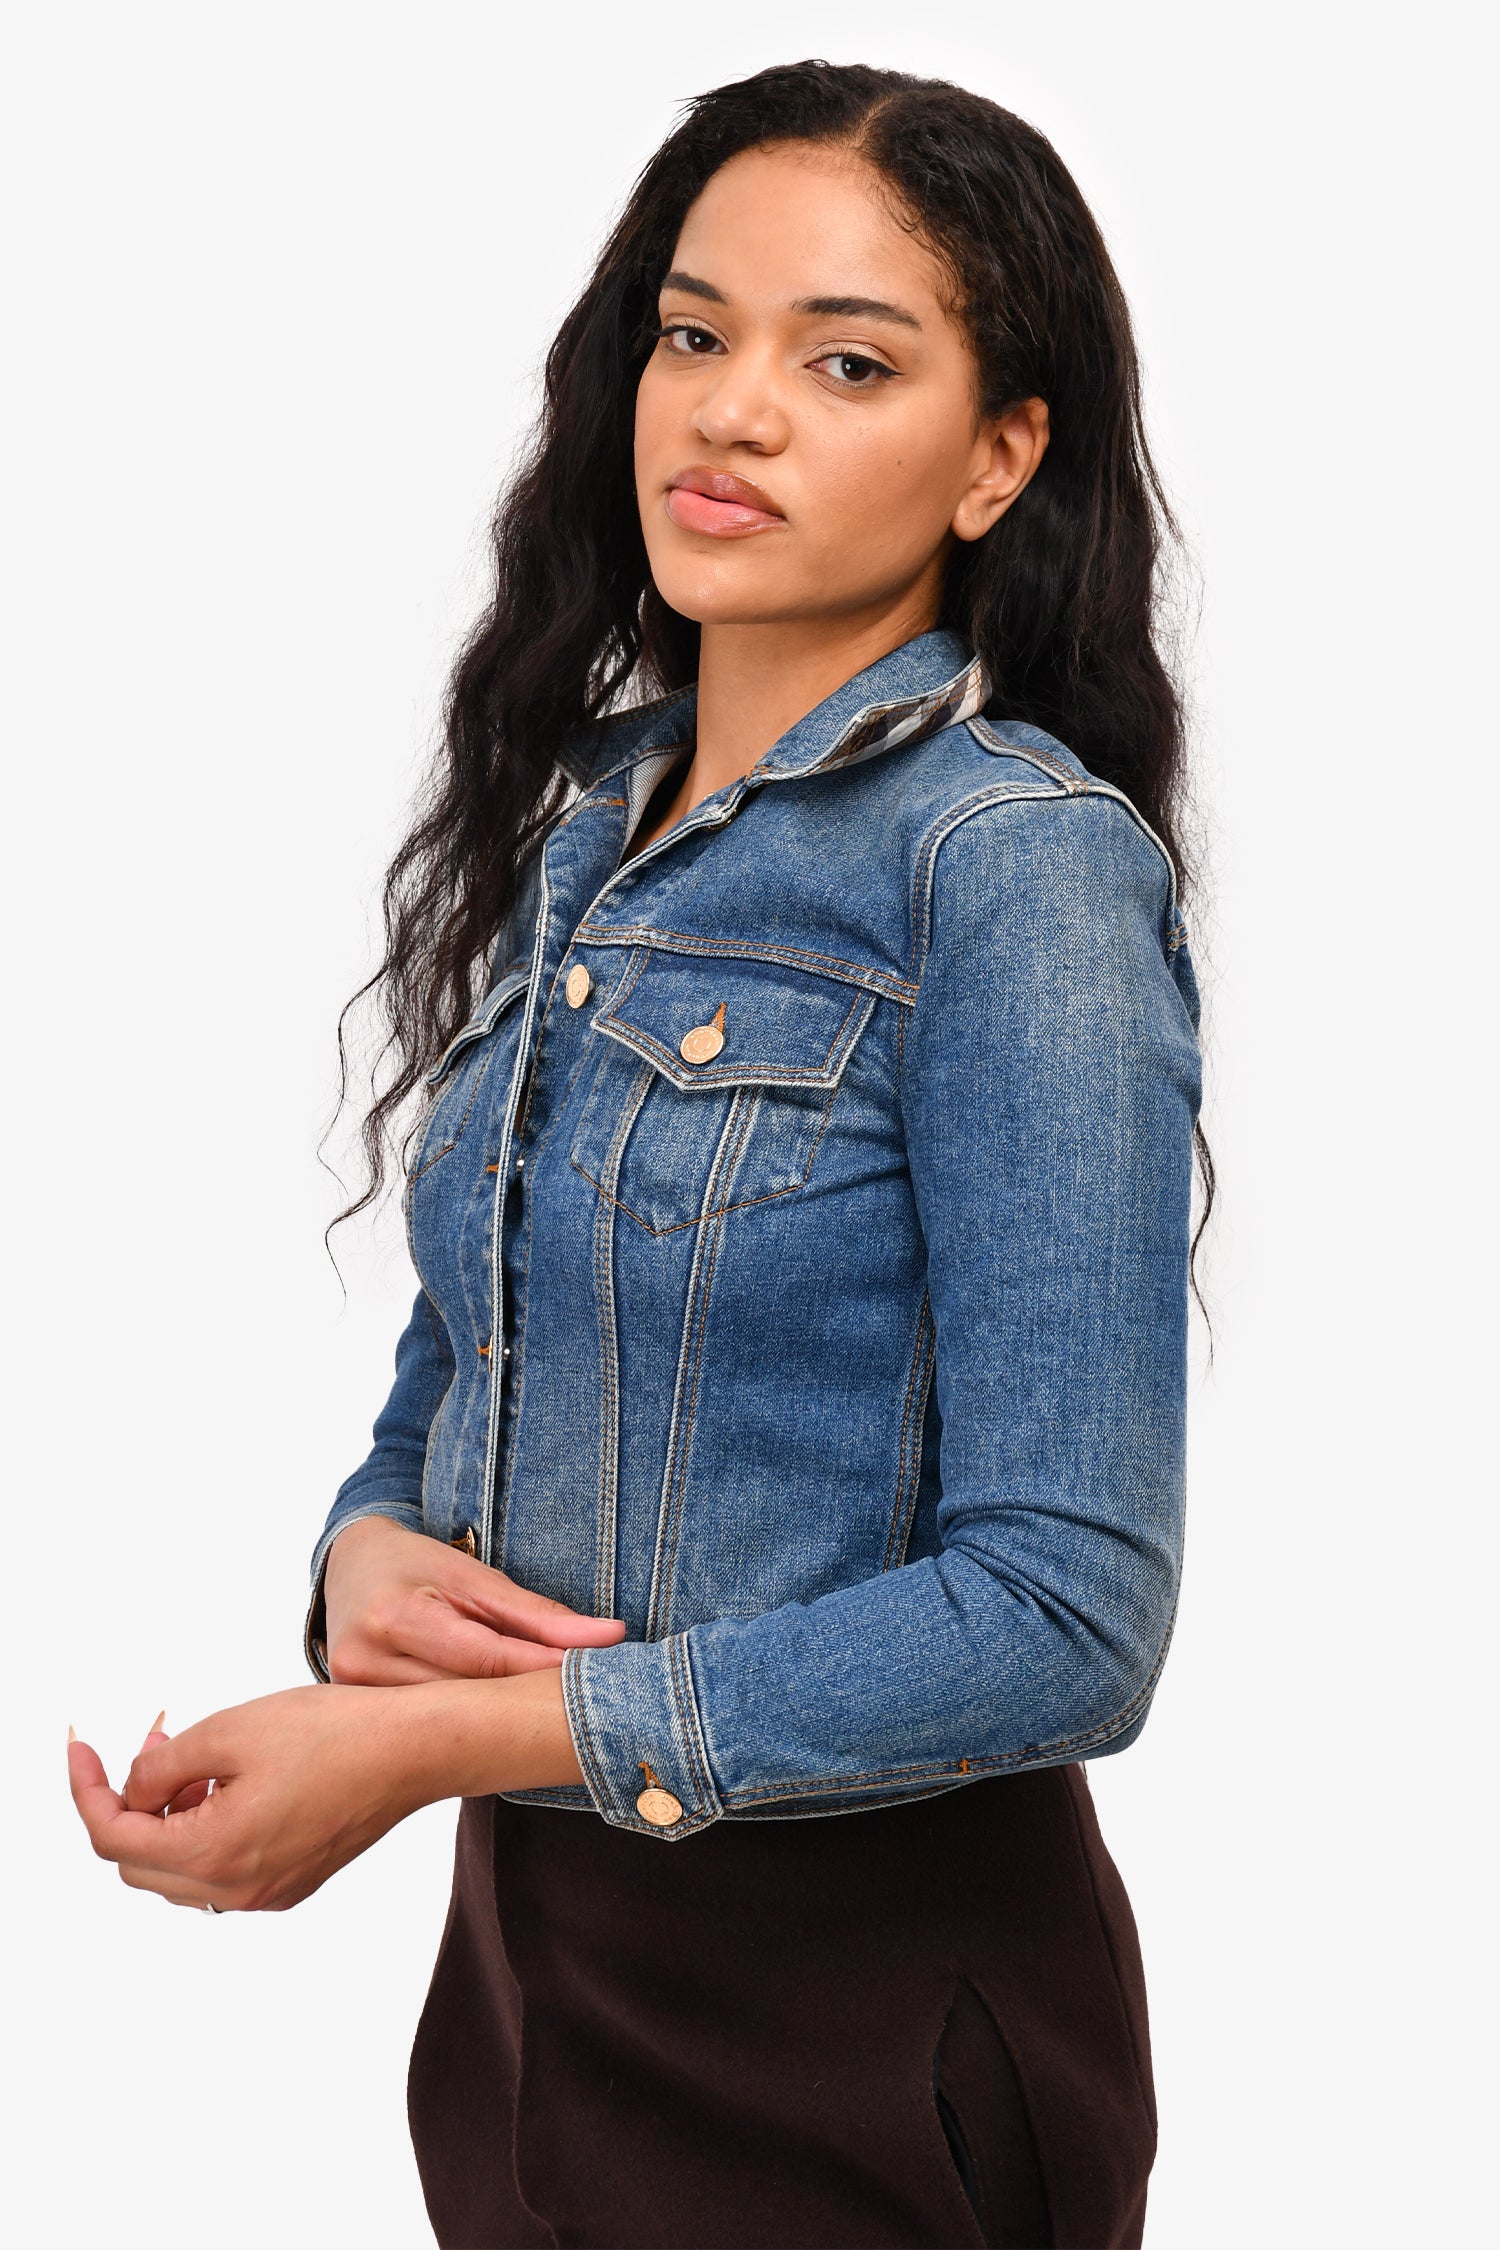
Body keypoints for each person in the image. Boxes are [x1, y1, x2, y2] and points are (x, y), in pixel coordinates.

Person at [69, 59, 1204, 2250]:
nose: (733, 410)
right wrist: (365, 1556)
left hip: (859, 2031)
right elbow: (477, 1339)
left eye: (847, 361)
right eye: (695, 334)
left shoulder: (1013, 872)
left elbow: (1069, 1617)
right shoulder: (594, 828)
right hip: (531, 2001)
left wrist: (431, 1744)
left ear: (1000, 456)